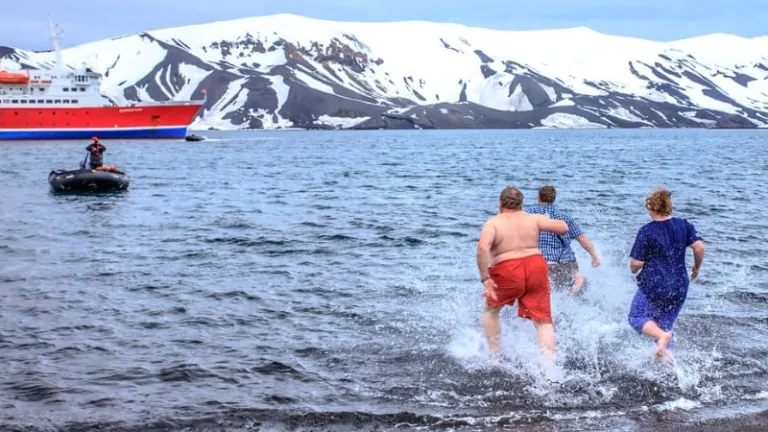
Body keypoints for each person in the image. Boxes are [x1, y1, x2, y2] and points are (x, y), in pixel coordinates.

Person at [476, 186, 569, 360]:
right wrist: (544, 220)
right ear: (521, 204)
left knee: (491, 310)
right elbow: (563, 227)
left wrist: (485, 277)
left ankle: (494, 357)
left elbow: (483, 248)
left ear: (500, 204)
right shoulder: (533, 219)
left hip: (508, 268)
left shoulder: (493, 223)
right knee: (543, 321)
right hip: (536, 266)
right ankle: (549, 364)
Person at [628, 187, 705, 362]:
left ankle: (662, 339)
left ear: (650, 207)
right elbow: (699, 247)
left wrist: (633, 269)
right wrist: (696, 267)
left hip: (654, 285)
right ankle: (673, 369)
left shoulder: (647, 231)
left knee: (636, 317)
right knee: (664, 328)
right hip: (679, 286)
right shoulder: (684, 225)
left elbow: (637, 263)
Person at [526, 185, 600, 295]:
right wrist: (594, 256)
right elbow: (581, 238)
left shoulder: (527, 214)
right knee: (574, 277)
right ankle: (575, 285)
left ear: (539, 197)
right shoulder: (565, 217)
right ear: (554, 198)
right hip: (564, 264)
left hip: (539, 263)